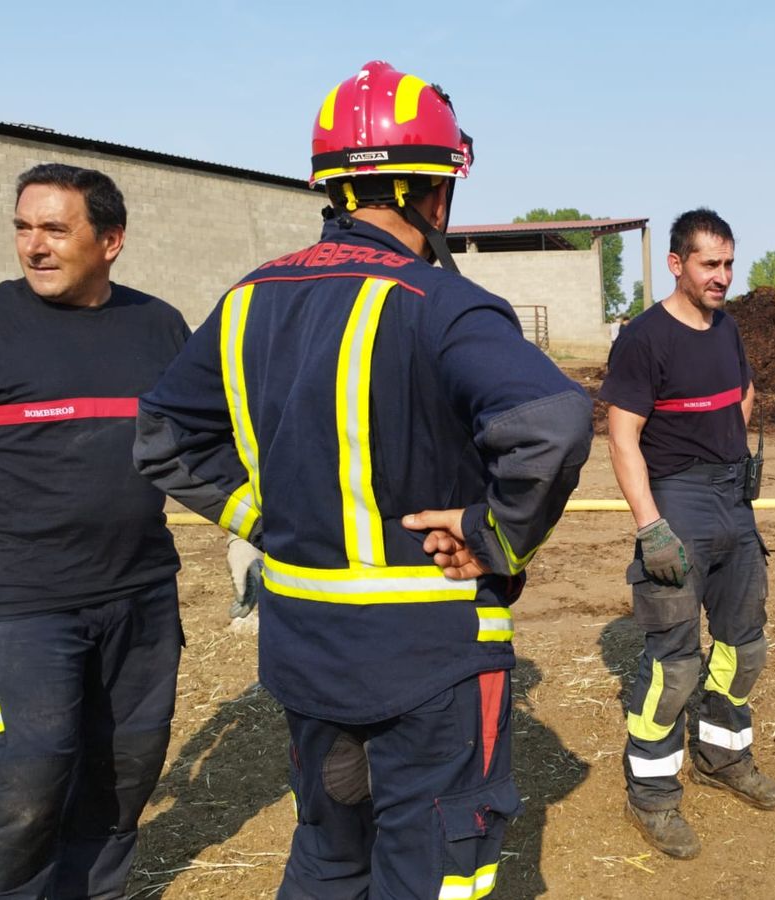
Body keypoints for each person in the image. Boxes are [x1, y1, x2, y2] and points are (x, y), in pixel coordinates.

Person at [132, 60, 593, 898]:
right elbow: (554, 422)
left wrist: (266, 518)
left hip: (306, 651)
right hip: (428, 655)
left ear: (332, 190)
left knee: (329, 853)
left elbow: (163, 439)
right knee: (435, 866)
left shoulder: (246, 299)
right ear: (437, 196)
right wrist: (491, 534)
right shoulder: (441, 304)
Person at [0, 163, 190, 898]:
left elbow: (203, 444)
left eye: (54, 228)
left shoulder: (158, 324)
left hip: (141, 597)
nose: (33, 246)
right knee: (18, 793)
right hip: (19, 605)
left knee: (120, 785)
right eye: (23, 227)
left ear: (110, 241)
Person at [600, 208, 775, 860]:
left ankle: (722, 758)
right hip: (678, 505)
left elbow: (744, 392)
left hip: (734, 502)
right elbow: (622, 437)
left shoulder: (727, 329)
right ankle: (652, 796)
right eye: (710, 264)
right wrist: (651, 527)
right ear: (677, 263)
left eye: (729, 264)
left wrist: (731, 459)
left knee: (744, 650)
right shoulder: (644, 339)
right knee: (672, 670)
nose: (722, 277)